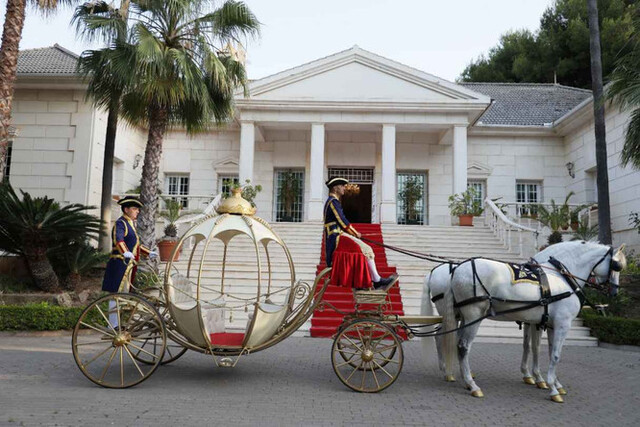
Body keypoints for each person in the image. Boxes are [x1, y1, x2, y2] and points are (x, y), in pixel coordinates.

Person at [323, 177, 398, 291]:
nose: (344, 188)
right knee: (366, 249)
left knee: (365, 250)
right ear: (335, 187)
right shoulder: (333, 202)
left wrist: (353, 233)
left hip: (338, 234)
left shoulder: (333, 202)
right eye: (342, 185)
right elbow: (342, 221)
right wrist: (354, 233)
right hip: (336, 237)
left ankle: (372, 280)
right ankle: (377, 281)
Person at [102, 196, 157, 327]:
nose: (137, 211)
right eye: (134, 209)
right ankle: (113, 325)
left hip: (127, 265)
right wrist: (125, 251)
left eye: (137, 209)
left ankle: (119, 322)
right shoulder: (121, 223)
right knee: (116, 294)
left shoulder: (130, 224)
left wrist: (148, 253)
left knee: (123, 295)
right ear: (126, 209)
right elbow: (118, 239)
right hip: (119, 264)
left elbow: (136, 245)